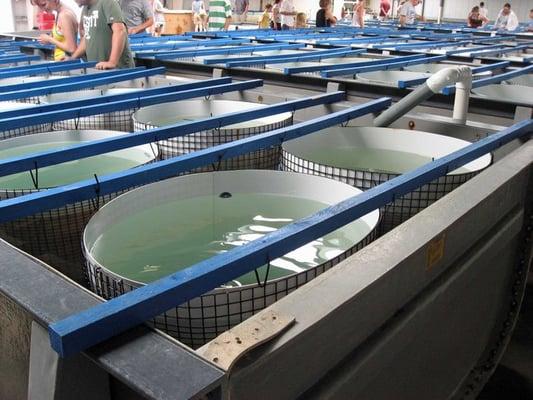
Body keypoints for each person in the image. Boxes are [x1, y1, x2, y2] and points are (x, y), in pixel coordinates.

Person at [70, 0, 134, 69]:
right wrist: (72, 58)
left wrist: (112, 62)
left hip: (119, 69)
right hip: (99, 69)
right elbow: (87, 37)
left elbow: (120, 31)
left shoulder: (107, 2)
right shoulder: (85, 9)